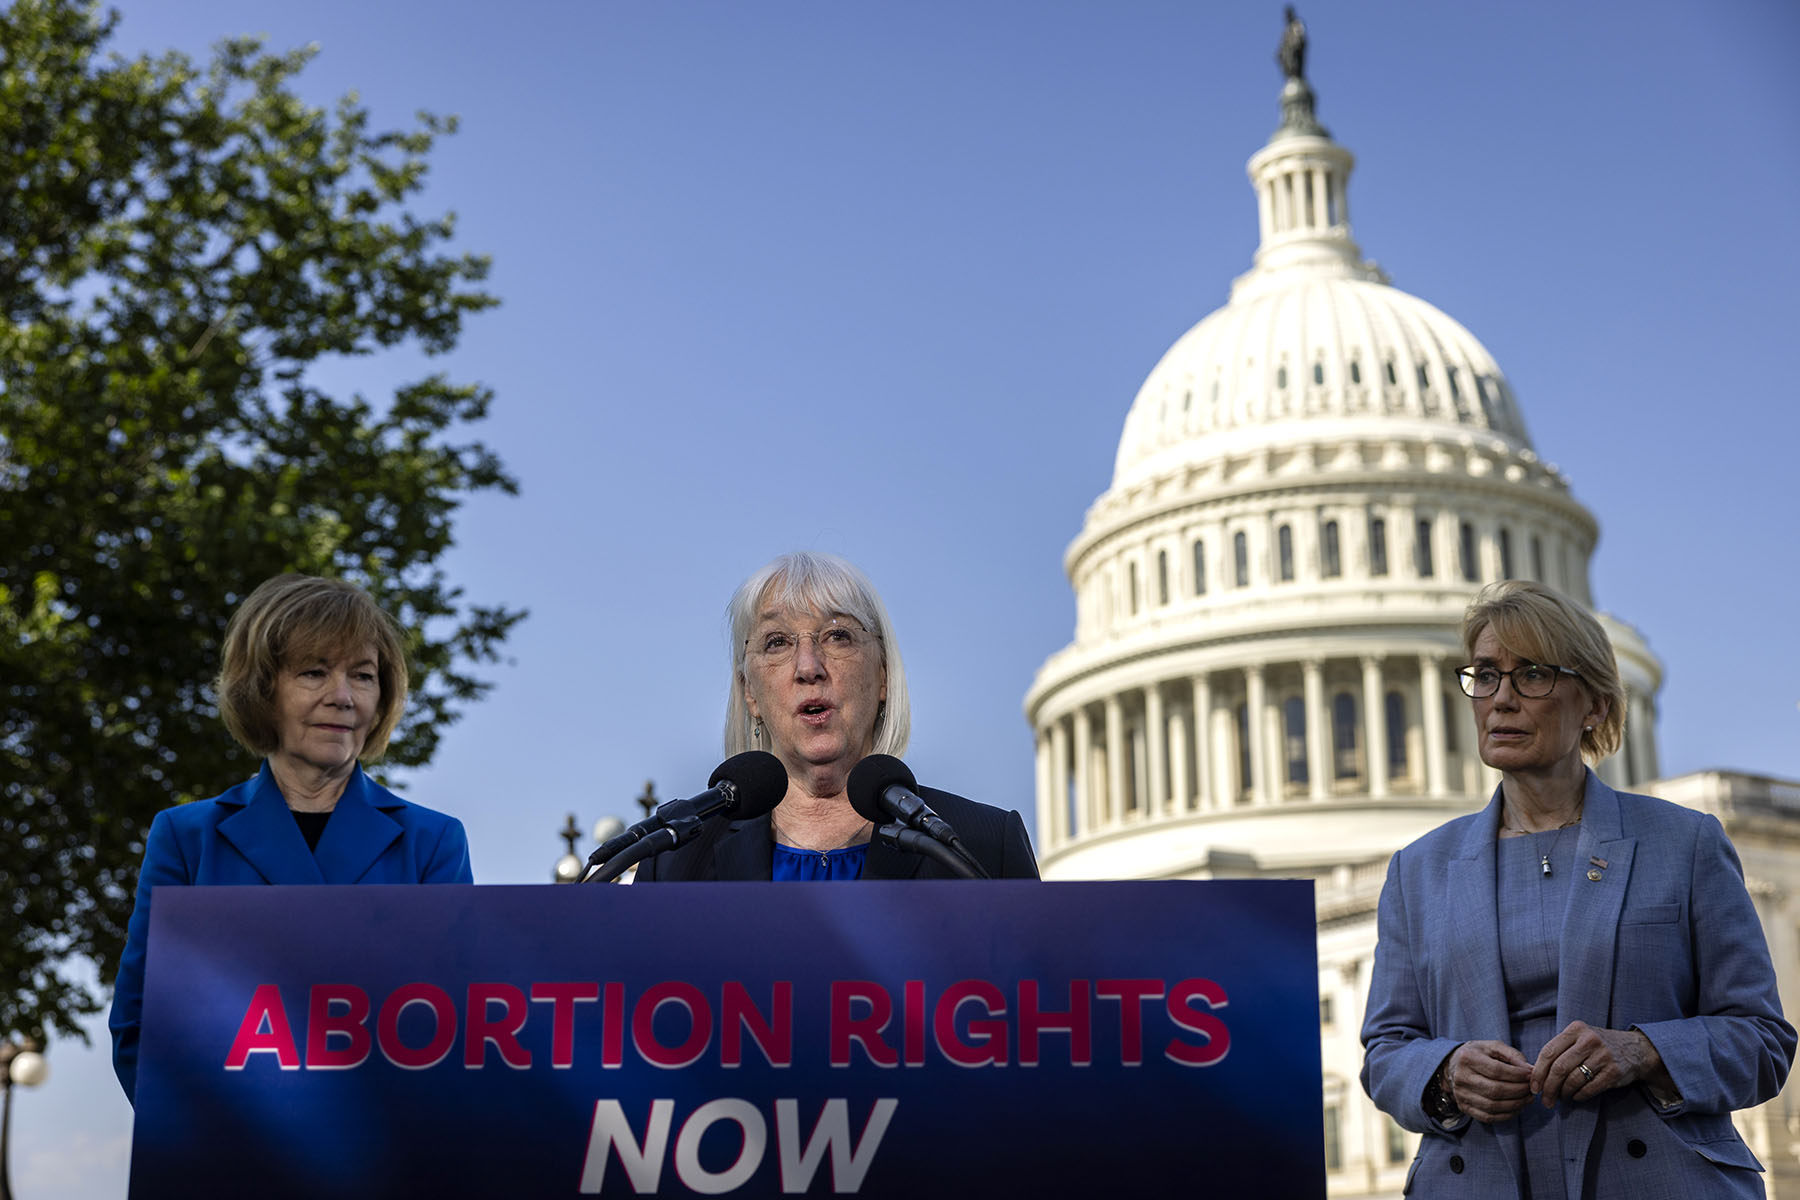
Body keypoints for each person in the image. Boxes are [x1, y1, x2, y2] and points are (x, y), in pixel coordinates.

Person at [1361, 580, 1794, 1198]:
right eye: (1485, 675)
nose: (1502, 699)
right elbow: (1386, 1050)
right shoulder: (1420, 869)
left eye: (1532, 675)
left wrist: (1642, 1050)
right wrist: (1448, 1072)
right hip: (1479, 1179)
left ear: (1592, 703)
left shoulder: (1684, 843)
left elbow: (1762, 1040)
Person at [109, 574, 473, 1103]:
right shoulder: (185, 837)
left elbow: (451, 1028)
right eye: (314, 672)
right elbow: (139, 1026)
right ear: (263, 689)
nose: (343, 697)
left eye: (363, 675)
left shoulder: (434, 841)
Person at [636, 551, 1038, 882]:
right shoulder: (675, 860)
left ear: (882, 676)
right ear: (749, 693)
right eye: (777, 642)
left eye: (837, 636)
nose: (808, 666)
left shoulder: (982, 847)